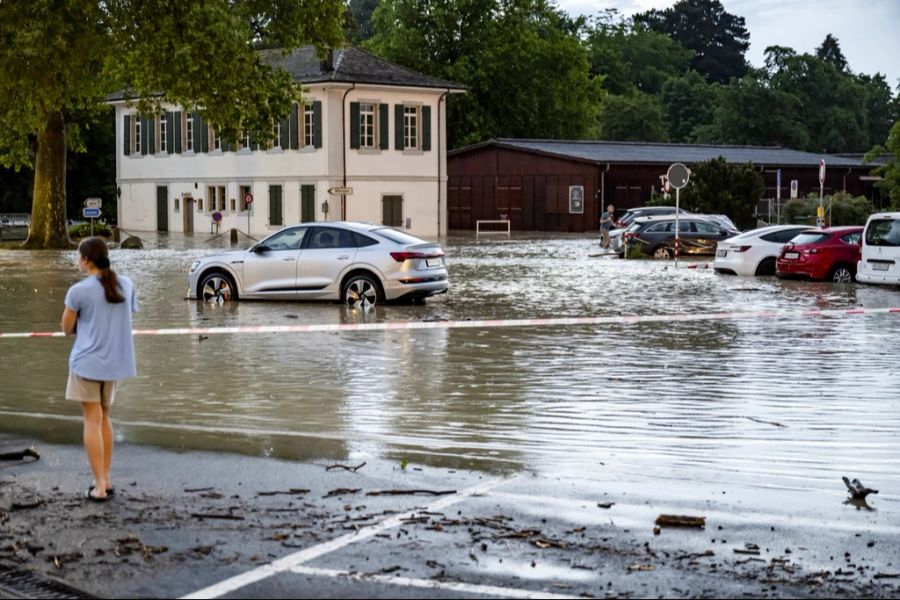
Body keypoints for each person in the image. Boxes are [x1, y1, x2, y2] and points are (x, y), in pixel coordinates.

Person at [61, 238, 137, 502]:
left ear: (85, 260)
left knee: (91, 419)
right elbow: (126, 315)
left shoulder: (78, 291)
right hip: (115, 363)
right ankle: (106, 478)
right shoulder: (126, 284)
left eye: (78, 256)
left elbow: (66, 327)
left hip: (87, 362)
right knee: (105, 417)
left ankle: (99, 487)